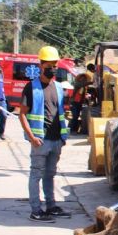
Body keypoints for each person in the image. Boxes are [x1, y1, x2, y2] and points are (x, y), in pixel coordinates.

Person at [18, 46, 72, 222]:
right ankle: (36, 210)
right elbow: (22, 114)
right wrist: (32, 137)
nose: (52, 69)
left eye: (55, 65)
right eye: (49, 65)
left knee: (50, 175)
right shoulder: (31, 88)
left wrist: (63, 138)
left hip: (56, 140)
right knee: (36, 175)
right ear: (41, 65)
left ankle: (51, 206)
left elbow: (61, 113)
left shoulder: (58, 87)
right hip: (40, 141)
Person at [69, 63, 95, 134]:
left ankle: (76, 129)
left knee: (78, 116)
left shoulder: (83, 87)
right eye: (83, 79)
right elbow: (82, 84)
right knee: (75, 116)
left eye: (85, 79)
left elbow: (84, 92)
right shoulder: (77, 84)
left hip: (79, 102)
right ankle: (72, 130)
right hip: (74, 102)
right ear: (80, 79)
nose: (84, 80)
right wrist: (91, 82)